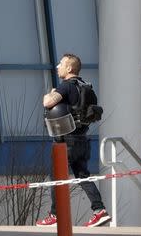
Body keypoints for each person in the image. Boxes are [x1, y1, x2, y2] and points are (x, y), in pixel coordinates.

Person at [36, 53, 111, 228]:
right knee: (83, 176)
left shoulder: (67, 87)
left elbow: (48, 103)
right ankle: (99, 211)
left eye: (60, 64)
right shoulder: (86, 87)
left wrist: (50, 94)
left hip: (66, 141)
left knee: (56, 176)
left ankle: (55, 215)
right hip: (82, 139)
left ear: (69, 68)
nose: (57, 67)